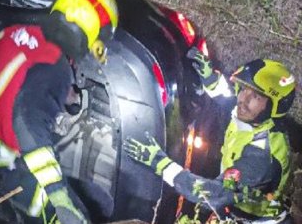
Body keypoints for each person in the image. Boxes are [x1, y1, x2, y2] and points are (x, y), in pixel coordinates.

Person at [0, 0, 119, 223]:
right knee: (76, 216)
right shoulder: (56, 67)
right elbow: (26, 123)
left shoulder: (13, 32)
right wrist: (59, 195)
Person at [125, 53, 296, 223]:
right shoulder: (254, 117)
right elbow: (228, 101)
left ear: (274, 107)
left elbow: (214, 193)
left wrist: (161, 163)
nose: (243, 99)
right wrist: (211, 79)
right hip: (235, 198)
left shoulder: (261, 158)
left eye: (256, 96)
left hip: (253, 217)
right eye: (244, 89)